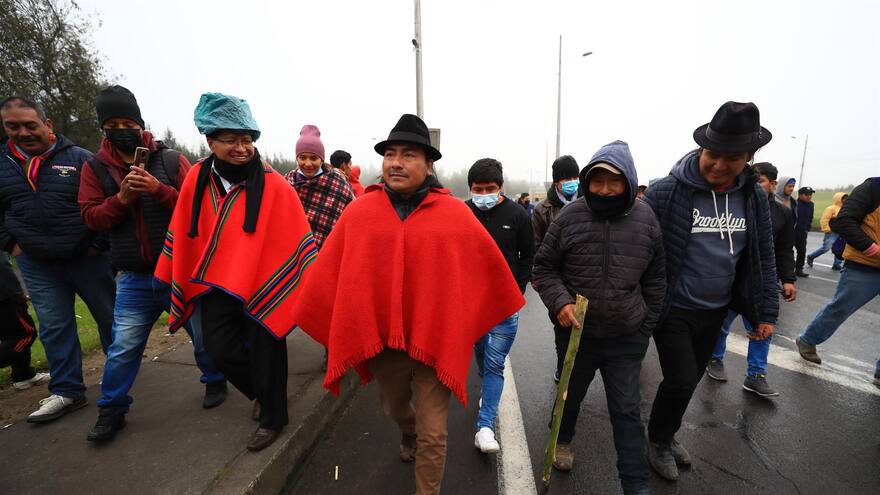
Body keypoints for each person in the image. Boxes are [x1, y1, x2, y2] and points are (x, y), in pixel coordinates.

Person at [291, 114, 524, 495]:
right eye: (390, 154)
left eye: (409, 154)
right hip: (385, 341)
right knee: (394, 408)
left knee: (436, 434)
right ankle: (407, 431)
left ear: (429, 164)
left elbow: (487, 272)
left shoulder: (455, 216)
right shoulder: (360, 213)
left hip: (435, 343)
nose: (396, 162)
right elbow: (333, 274)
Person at [155, 93, 317, 451]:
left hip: (264, 283)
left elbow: (294, 238)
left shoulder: (274, 184)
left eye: (247, 140)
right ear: (210, 141)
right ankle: (263, 393)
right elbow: (186, 229)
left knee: (268, 351)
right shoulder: (198, 177)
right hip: (214, 283)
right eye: (231, 140)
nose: (242, 148)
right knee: (219, 349)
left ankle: (273, 417)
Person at [78, 86, 227, 442]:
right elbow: (91, 218)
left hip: (181, 271)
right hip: (133, 276)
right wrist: (122, 198)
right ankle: (111, 409)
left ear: (140, 123)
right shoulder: (94, 168)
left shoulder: (172, 161)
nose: (121, 128)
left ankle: (215, 380)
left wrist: (159, 190)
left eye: (127, 121)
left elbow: (200, 209)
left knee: (203, 337)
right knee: (124, 346)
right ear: (103, 129)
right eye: (112, 123)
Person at [643, 101, 778, 481]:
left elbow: (763, 254)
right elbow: (640, 247)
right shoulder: (667, 191)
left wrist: (765, 313)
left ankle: (666, 434)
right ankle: (656, 439)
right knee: (682, 377)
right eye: (712, 155)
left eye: (731, 158)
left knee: (692, 376)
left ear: (749, 158)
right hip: (673, 306)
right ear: (701, 149)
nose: (718, 165)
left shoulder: (754, 196)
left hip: (717, 308)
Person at [532, 141, 665, 495]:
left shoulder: (646, 218)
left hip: (625, 339)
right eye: (597, 181)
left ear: (628, 182)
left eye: (614, 181)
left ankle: (636, 486)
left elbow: (656, 279)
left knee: (626, 412)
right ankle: (561, 440)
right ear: (588, 181)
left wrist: (644, 328)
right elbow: (544, 268)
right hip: (577, 335)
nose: (604, 189)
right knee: (569, 396)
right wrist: (560, 303)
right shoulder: (570, 216)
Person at [0, 96, 116, 424]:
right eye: (13, 126)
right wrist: (12, 245)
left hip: (87, 257)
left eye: (29, 125)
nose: (22, 132)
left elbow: (107, 204)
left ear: (47, 124)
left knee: (109, 317)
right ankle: (67, 390)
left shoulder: (81, 159)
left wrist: (97, 244)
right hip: (36, 262)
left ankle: (121, 373)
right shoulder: (2, 163)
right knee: (54, 325)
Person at [705, 162, 797, 399]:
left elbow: (786, 248)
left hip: (760, 281)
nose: (756, 185)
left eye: (762, 181)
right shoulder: (734, 204)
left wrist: (788, 279)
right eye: (754, 180)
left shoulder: (783, 213)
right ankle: (714, 359)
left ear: (773, 184)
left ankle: (756, 375)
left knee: (761, 327)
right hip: (732, 279)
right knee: (722, 325)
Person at [464, 158, 534, 454]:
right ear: (470, 189)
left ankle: (485, 427)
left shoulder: (517, 214)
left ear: (501, 187)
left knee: (495, 362)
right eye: (477, 189)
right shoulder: (462, 212)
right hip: (471, 303)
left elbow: (528, 255)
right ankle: (486, 389)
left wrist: (516, 290)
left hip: (504, 303)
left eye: (489, 188)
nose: (483, 194)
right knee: (480, 351)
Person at [797, 177, 879, 384]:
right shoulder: (873, 187)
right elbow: (844, 221)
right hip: (865, 263)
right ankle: (808, 340)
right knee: (841, 306)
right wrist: (874, 249)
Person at [285, 126, 355, 249]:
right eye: (302, 157)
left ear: (321, 159)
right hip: (289, 252)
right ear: (297, 159)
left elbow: (353, 219)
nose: (307, 163)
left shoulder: (338, 184)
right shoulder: (286, 183)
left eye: (313, 158)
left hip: (325, 256)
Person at [0, 252, 48, 390]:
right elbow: (2, 266)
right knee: (26, 334)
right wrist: (17, 293)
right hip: (4, 298)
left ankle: (23, 375)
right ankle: (22, 374)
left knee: (9, 335)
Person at [532, 155, 580, 249]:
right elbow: (536, 246)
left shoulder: (588, 203)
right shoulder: (542, 210)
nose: (572, 182)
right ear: (556, 182)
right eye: (567, 179)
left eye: (575, 178)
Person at [807, 192, 847, 271]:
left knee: (839, 249)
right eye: (844, 198)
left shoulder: (846, 209)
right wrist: (827, 229)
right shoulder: (831, 208)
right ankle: (811, 256)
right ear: (839, 198)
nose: (845, 200)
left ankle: (836, 264)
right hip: (831, 232)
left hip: (841, 233)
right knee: (826, 248)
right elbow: (824, 219)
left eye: (846, 198)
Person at [795, 186, 815, 277]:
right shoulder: (794, 203)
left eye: (810, 194)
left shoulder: (811, 204)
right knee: (787, 251)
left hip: (803, 232)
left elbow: (810, 217)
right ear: (800, 195)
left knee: (802, 251)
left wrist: (807, 228)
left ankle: (799, 270)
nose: (809, 196)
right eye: (806, 194)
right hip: (792, 231)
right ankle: (785, 269)